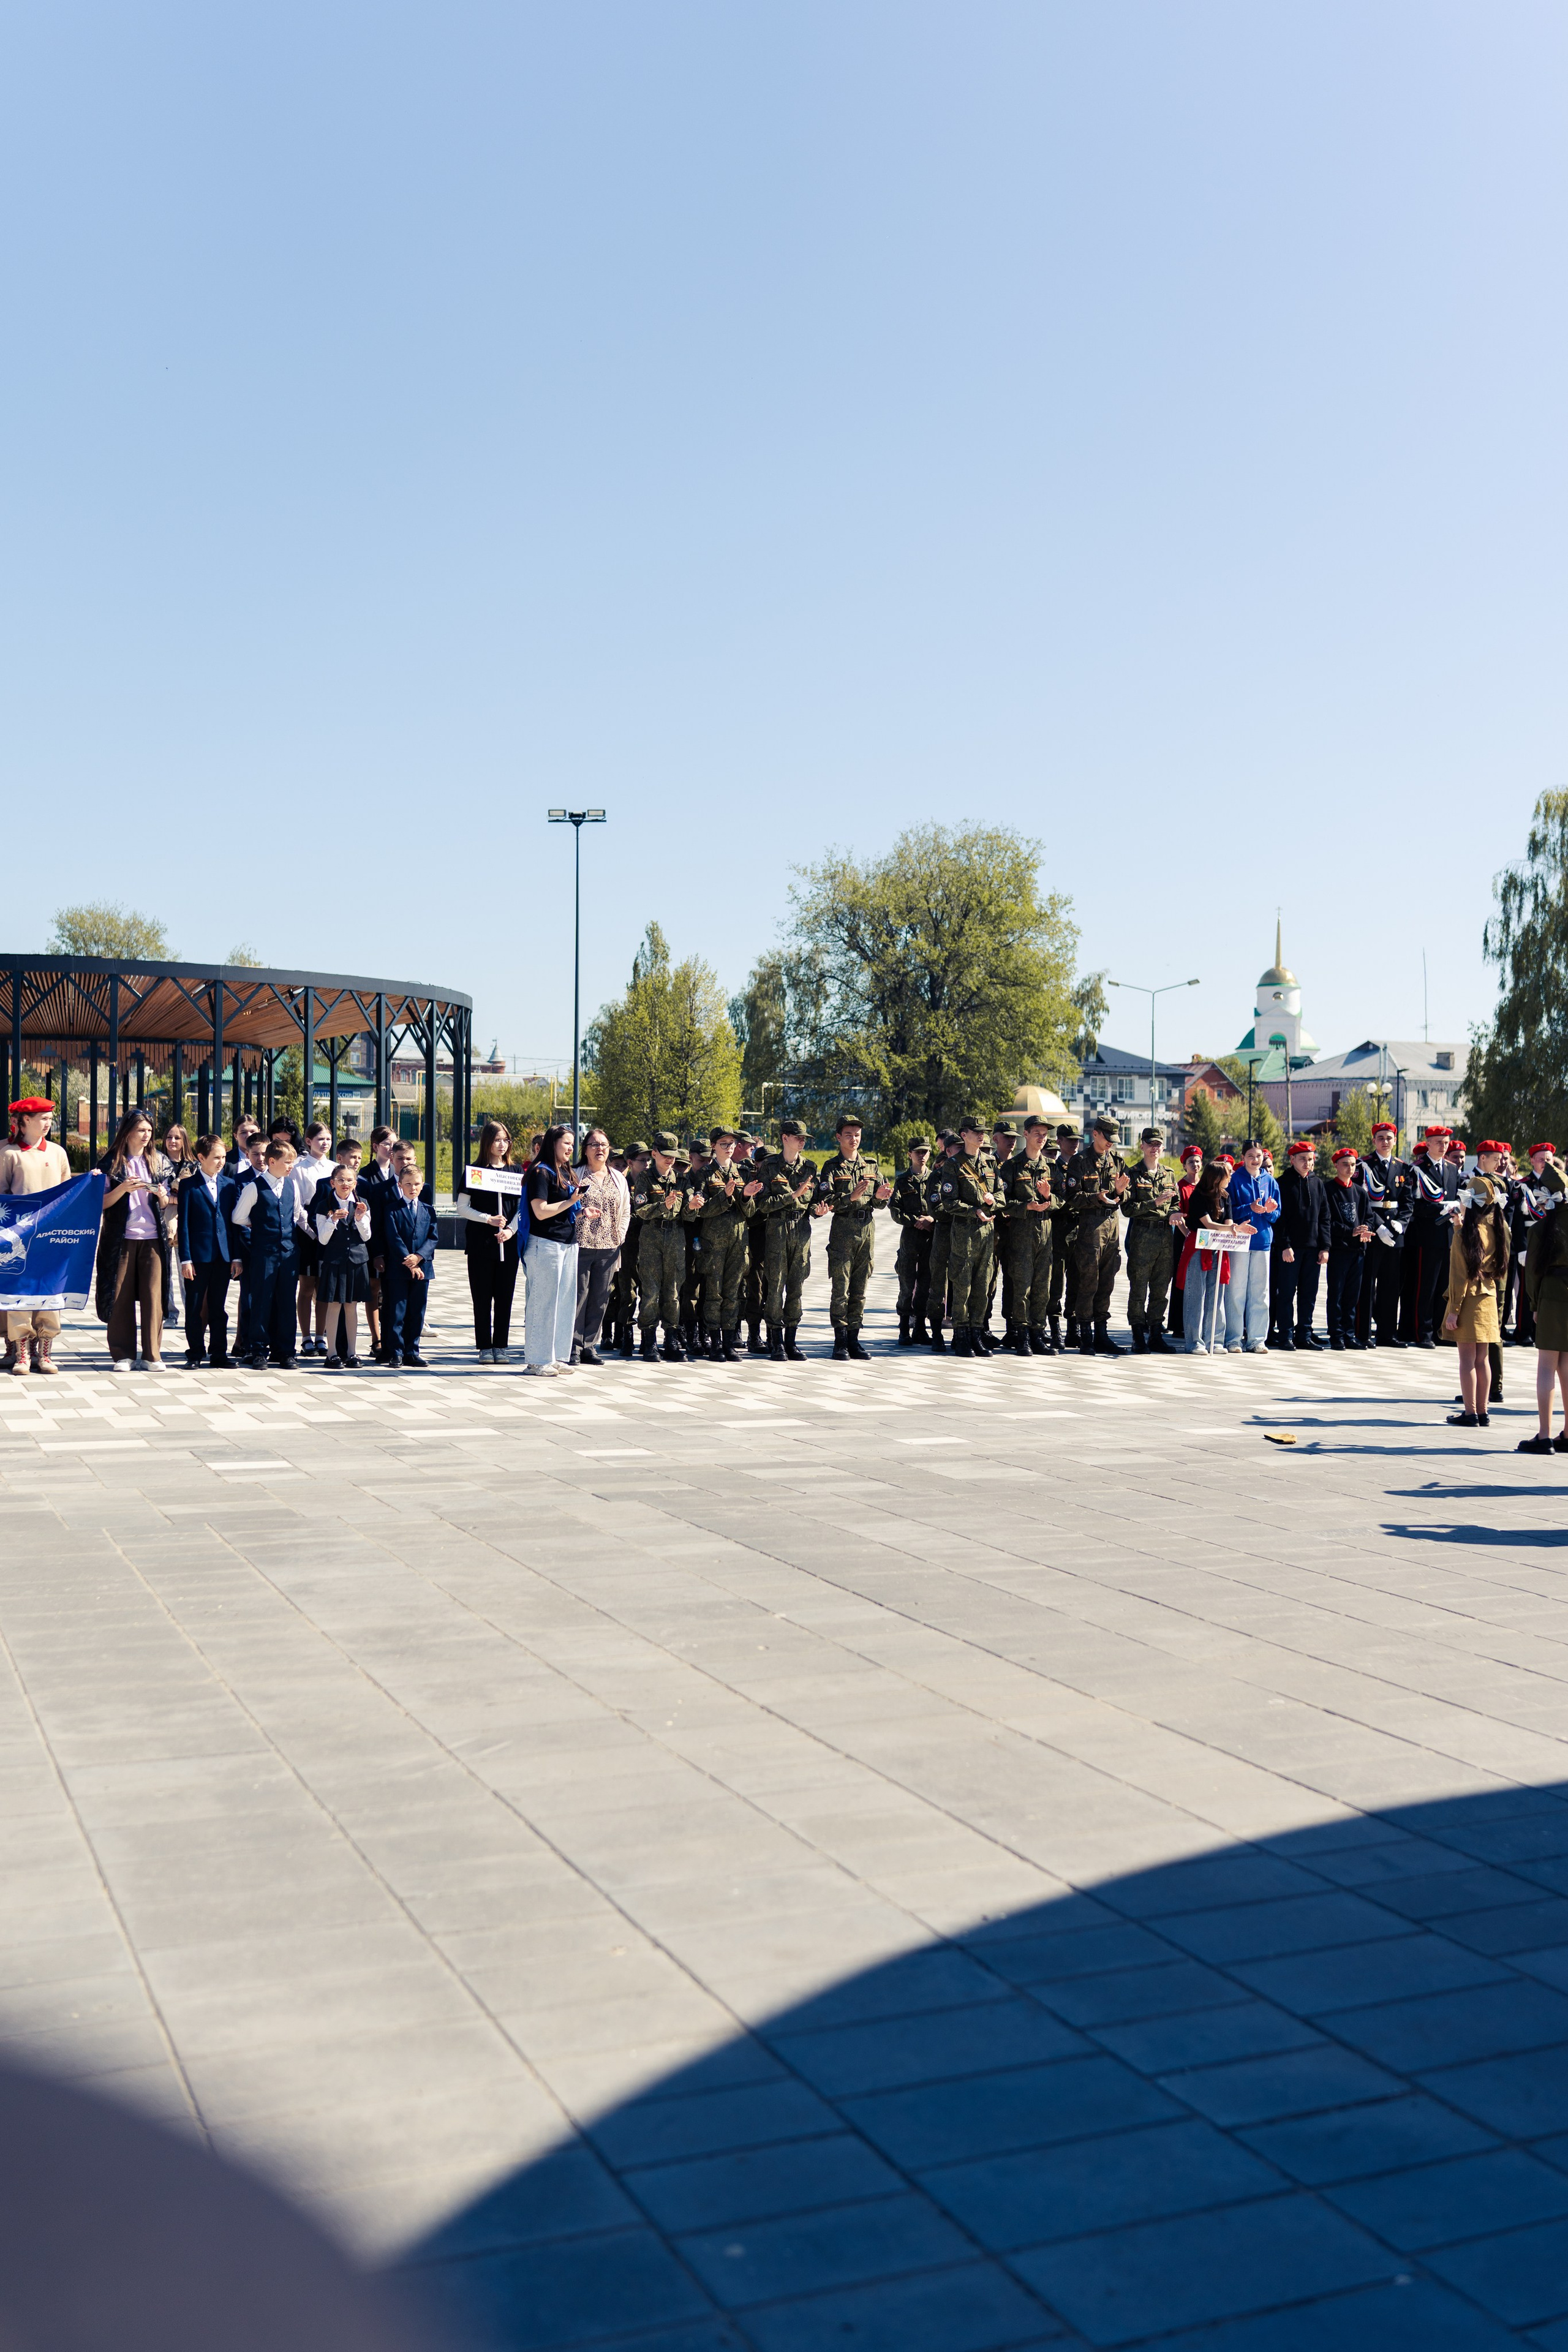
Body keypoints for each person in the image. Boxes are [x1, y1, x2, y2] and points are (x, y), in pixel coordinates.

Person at [0, 1096, 74, 1376]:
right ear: (25, 1121)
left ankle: (44, 1352)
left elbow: (68, 1193)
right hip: (16, 1238)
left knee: (49, 1290)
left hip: (51, 1237)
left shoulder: (57, 1153)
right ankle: (21, 1353)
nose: (48, 1123)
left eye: (49, 1118)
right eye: (42, 1118)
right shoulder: (7, 1153)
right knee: (18, 1291)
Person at [96, 1109, 173, 1372]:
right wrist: (123, 1189)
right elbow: (100, 1204)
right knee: (120, 1296)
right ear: (128, 1132)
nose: (147, 1135)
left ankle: (152, 1355)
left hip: (153, 1238)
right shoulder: (111, 1163)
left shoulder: (159, 1161)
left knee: (154, 1296)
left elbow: (164, 1204)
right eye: (142, 1130)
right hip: (121, 1238)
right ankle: (123, 1355)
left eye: (150, 1131)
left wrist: (163, 1195)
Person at [227, 1139, 312, 1370]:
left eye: (293, 1162)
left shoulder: (291, 1186)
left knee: (286, 1302)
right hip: (264, 1253)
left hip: (288, 1253)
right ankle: (258, 1350)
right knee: (262, 1301)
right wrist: (258, 1225)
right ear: (272, 1161)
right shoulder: (254, 1187)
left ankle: (285, 1351)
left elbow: (297, 1215)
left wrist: (316, 1234)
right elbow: (238, 1217)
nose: (291, 1167)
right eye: (287, 1162)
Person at [818, 1115, 892, 1360]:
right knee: (841, 1288)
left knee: (860, 1288)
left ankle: (854, 1339)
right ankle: (840, 1340)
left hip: (867, 1229)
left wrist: (881, 1196)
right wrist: (849, 1198)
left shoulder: (870, 1165)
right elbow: (826, 1201)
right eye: (849, 1134)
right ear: (839, 1137)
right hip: (843, 1230)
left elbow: (879, 1203)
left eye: (857, 1134)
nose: (854, 1139)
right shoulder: (831, 1167)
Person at [688, 1127, 762, 1362]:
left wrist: (746, 1196)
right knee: (714, 1293)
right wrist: (726, 1196)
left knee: (733, 1293)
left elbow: (751, 1213)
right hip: (713, 1242)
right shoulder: (705, 1174)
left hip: (738, 1240)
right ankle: (715, 1343)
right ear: (713, 1146)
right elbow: (701, 1211)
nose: (729, 1147)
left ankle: (730, 1342)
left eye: (732, 1143)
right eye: (724, 1143)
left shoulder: (743, 1172)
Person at [1445, 1171, 1510, 1428]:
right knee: (1483, 1359)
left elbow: (1461, 1275)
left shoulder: (1465, 1235)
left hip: (1469, 1299)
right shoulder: (1498, 1227)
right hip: (1489, 1296)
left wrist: (1453, 1310)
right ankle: (1483, 1412)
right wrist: (1458, 1225)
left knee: (1466, 1360)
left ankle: (1470, 1413)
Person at [455, 1120, 521, 1362]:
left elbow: (523, 1209)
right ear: (487, 1142)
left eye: (506, 1140)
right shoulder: (475, 1171)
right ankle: (484, 1346)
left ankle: (501, 1346)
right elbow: (462, 1207)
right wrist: (487, 1219)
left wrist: (511, 1231)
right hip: (481, 1244)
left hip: (509, 1245)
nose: (502, 1145)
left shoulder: (516, 1173)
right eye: (497, 1140)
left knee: (505, 1297)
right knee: (482, 1297)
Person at [1065, 1116, 1129, 1357]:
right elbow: (1072, 1198)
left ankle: (1102, 1333)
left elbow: (1125, 1194)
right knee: (1088, 1281)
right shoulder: (1080, 1161)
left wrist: (1119, 1192)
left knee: (1107, 1282)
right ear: (1096, 1134)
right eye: (1107, 1139)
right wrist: (1096, 1198)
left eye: (1114, 1140)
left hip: (1112, 1226)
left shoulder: (1117, 1162)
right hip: (1090, 1228)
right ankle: (1086, 1335)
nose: (1110, 1144)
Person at [937, 1117, 1000, 1358]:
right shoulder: (953, 1165)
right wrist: (974, 1210)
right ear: (964, 1135)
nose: (981, 1135)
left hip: (987, 1232)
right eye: (976, 1132)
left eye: (983, 1132)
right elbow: (948, 1202)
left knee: (983, 1284)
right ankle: (961, 1335)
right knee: (962, 1284)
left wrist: (994, 1203)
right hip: (965, 1232)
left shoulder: (990, 1162)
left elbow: (1001, 1193)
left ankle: (976, 1332)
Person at [1518, 1147, 1568, 1453]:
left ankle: (1545, 1435)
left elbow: (1533, 1274)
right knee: (1567, 1367)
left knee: (1546, 1368)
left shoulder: (1541, 1228)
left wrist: (1535, 1306)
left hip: (1550, 1295)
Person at [522, 1123, 582, 1376]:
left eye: (572, 1143)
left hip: (568, 1243)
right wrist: (570, 1202)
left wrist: (580, 1210)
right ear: (552, 1143)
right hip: (544, 1244)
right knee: (543, 1302)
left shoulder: (566, 1172)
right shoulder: (541, 1172)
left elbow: (563, 1208)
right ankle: (537, 1360)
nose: (570, 1147)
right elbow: (540, 1210)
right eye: (566, 1143)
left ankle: (555, 1356)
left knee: (564, 1303)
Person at [755, 1120, 816, 1360]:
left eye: (804, 1138)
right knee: (775, 1288)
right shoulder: (770, 1166)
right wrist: (792, 1196)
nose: (802, 1141)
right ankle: (776, 1341)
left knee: (796, 1287)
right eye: (797, 1137)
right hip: (777, 1229)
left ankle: (791, 1340)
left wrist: (818, 1210)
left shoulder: (810, 1168)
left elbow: (812, 1203)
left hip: (801, 1230)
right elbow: (762, 1205)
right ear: (784, 1138)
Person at [997, 1115, 1059, 1355]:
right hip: (1022, 1230)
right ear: (1026, 1135)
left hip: (1046, 1230)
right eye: (1037, 1133)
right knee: (1022, 1285)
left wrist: (1048, 1197)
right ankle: (1021, 1334)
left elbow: (1062, 1200)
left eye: (1045, 1134)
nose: (1042, 1138)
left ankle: (1037, 1334)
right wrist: (1026, 1207)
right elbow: (1002, 1202)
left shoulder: (1051, 1167)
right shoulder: (1011, 1167)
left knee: (1043, 1285)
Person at [571, 1128, 630, 1366]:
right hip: (581, 1246)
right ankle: (573, 1347)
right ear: (585, 1150)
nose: (600, 1149)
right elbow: (565, 1206)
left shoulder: (618, 1178)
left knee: (600, 1298)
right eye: (594, 1145)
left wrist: (620, 1236)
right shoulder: (574, 1175)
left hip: (609, 1247)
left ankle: (589, 1346)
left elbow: (626, 1210)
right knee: (579, 1297)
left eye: (604, 1145)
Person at [631, 1132, 693, 1361]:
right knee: (651, 1290)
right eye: (665, 1155)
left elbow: (687, 1214)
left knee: (674, 1290)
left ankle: (671, 1338)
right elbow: (641, 1210)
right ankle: (649, 1340)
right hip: (652, 1235)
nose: (670, 1160)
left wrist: (693, 1206)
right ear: (654, 1153)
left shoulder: (682, 1180)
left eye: (673, 1156)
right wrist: (661, 1206)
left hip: (676, 1235)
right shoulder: (645, 1179)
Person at [176, 1132, 235, 1369]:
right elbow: (185, 1225)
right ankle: (195, 1353)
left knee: (218, 1307)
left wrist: (236, 1256)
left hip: (223, 1256)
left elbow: (233, 1225)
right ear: (201, 1157)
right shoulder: (189, 1186)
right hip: (198, 1257)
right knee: (195, 1305)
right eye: (216, 1157)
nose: (221, 1161)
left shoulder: (230, 1185)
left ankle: (219, 1353)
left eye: (224, 1157)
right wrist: (185, 1259)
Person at [1404, 1125, 1463, 1347]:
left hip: (1448, 1236)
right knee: (1425, 1287)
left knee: (1444, 1287)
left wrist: (1456, 1207)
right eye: (1438, 1141)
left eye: (1446, 1142)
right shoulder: (1417, 1169)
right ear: (1427, 1143)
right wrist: (1440, 1209)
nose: (1443, 1145)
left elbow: (1457, 1197)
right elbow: (1414, 1205)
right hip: (1426, 1237)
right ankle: (1423, 1332)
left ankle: (1442, 1331)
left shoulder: (1452, 1168)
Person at [1122, 1129, 1180, 1355]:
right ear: (1142, 1146)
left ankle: (1156, 1332)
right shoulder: (1133, 1173)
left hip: (1165, 1236)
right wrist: (1153, 1203)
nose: (1155, 1148)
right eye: (1150, 1144)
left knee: (1160, 1287)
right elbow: (1127, 1209)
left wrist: (1174, 1213)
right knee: (1138, 1287)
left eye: (1158, 1144)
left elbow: (1174, 1202)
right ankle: (1138, 1333)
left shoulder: (1169, 1174)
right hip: (1142, 1236)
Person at [1356, 1120, 1411, 1348]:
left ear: (1395, 1140)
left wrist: (1401, 1224)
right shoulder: (1364, 1165)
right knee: (1368, 1285)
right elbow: (1363, 1199)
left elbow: (1408, 1201)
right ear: (1374, 1141)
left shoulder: (1402, 1167)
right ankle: (1363, 1334)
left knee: (1390, 1286)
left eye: (1389, 1138)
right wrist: (1378, 1226)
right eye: (1381, 1138)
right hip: (1373, 1231)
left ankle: (1388, 1334)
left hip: (1395, 1234)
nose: (1385, 1142)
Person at [312, 1163, 372, 1369]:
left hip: (357, 1261)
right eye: (340, 1180)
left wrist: (359, 1219)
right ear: (332, 1183)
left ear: (355, 1183)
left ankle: (352, 1353)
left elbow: (367, 1236)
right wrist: (333, 1221)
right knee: (334, 1305)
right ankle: (332, 1354)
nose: (345, 1184)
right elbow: (322, 1240)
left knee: (352, 1306)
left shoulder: (362, 1204)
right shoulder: (324, 1205)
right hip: (334, 1261)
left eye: (349, 1180)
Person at [1221, 1142, 1279, 1354]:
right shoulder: (1235, 1180)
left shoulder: (1270, 1181)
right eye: (1251, 1156)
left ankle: (1256, 1339)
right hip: (1239, 1241)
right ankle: (1234, 1338)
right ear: (1243, 1158)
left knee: (1260, 1292)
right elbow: (1228, 1211)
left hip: (1263, 1241)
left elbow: (1276, 1215)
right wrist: (1250, 1208)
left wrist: (1271, 1211)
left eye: (1260, 1156)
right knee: (1236, 1291)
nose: (1256, 1160)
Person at [1273, 1140, 1329, 1351]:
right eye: (1302, 1159)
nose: (1307, 1163)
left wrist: (1325, 1247)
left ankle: (1304, 1335)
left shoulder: (1318, 1184)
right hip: (1290, 1249)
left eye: (1310, 1159)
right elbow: (1280, 1218)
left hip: (1313, 1248)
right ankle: (1286, 1335)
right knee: (1286, 1294)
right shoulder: (1282, 1183)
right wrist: (1285, 1245)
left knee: (1309, 1294)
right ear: (1292, 1160)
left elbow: (1325, 1217)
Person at [381, 1161, 437, 1368]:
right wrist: (409, 1261)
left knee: (417, 1311)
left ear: (423, 1185)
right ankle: (396, 1352)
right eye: (408, 1184)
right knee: (397, 1311)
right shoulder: (392, 1210)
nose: (413, 1188)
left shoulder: (428, 1210)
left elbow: (433, 1238)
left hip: (423, 1268)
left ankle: (412, 1351)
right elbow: (393, 1238)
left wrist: (419, 1258)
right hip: (399, 1268)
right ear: (400, 1186)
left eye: (417, 1184)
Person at [292, 1124, 336, 1356]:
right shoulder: (299, 1167)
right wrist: (310, 1231)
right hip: (308, 1230)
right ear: (308, 1141)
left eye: (328, 1138)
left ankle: (321, 1336)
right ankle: (306, 1337)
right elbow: (298, 1203)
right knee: (307, 1286)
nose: (325, 1143)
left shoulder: (335, 1168)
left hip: (330, 1228)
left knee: (325, 1286)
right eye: (320, 1139)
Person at [1182, 1160, 1235, 1354]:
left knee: (1217, 1295)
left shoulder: (1226, 1196)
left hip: (1218, 1248)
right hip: (1199, 1248)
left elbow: (1228, 1220)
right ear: (1216, 1178)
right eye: (1227, 1175)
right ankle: (1194, 1341)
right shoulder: (1199, 1195)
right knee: (1196, 1294)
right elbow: (1209, 1224)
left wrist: (1232, 1228)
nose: (1230, 1178)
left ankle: (1214, 1339)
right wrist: (1231, 1229)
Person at [1324, 1145, 1373, 1349]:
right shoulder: (1328, 1190)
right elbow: (1326, 1221)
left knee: (1353, 1295)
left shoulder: (1360, 1192)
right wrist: (1348, 1231)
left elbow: (1369, 1217)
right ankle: (1336, 1335)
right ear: (1336, 1165)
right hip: (1338, 1250)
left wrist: (1366, 1230)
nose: (1349, 1168)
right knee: (1336, 1294)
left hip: (1357, 1251)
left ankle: (1349, 1334)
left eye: (1353, 1165)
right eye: (1345, 1165)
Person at [225, 1131, 268, 1363]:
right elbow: (239, 1220)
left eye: (264, 1153)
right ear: (247, 1154)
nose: (261, 1158)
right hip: (249, 1248)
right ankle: (246, 1342)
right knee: (249, 1297)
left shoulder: (281, 1177)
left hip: (272, 1250)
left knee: (270, 1296)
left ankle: (264, 1341)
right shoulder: (239, 1181)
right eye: (255, 1154)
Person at [890, 1137, 935, 1346]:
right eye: (918, 1152)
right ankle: (903, 1329)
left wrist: (931, 1221)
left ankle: (920, 1328)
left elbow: (944, 1205)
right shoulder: (902, 1181)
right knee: (907, 1285)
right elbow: (895, 1210)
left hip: (930, 1238)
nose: (922, 1156)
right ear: (910, 1154)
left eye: (925, 1152)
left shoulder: (937, 1179)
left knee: (926, 1285)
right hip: (910, 1238)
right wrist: (916, 1221)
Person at [360, 1124, 399, 1362]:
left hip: (396, 1242)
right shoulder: (365, 1175)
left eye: (395, 1143)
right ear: (375, 1147)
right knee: (374, 1290)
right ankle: (377, 1339)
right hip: (374, 1240)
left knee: (393, 1291)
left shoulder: (401, 1171)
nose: (392, 1148)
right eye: (387, 1144)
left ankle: (394, 1338)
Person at [924, 1132, 962, 1352]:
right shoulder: (937, 1177)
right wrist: (963, 1212)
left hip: (964, 1235)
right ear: (948, 1152)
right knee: (938, 1284)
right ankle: (937, 1333)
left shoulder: (966, 1174)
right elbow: (936, 1209)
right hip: (944, 1235)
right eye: (958, 1148)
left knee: (960, 1284)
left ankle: (959, 1332)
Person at [609, 1144, 648, 1355]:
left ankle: (645, 1337)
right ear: (630, 1163)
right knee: (628, 1293)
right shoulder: (621, 1185)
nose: (647, 1164)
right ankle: (626, 1336)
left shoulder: (651, 1182)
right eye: (642, 1161)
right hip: (628, 1245)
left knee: (648, 1293)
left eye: (648, 1160)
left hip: (649, 1245)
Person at [1169, 1141, 1204, 1341]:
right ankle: (1177, 1324)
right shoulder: (1181, 1186)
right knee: (1181, 1278)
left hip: (1203, 1238)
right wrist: (1187, 1235)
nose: (1195, 1165)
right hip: (1185, 1237)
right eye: (1191, 1162)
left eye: (1198, 1161)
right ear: (1184, 1165)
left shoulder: (1205, 1185)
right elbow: (1179, 1214)